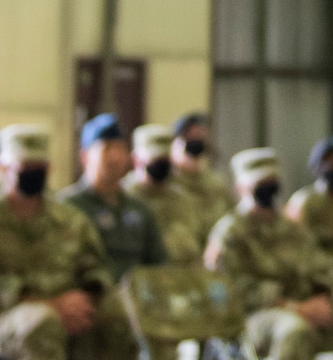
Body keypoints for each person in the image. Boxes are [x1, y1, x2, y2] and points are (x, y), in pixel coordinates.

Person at [206, 149, 333, 360]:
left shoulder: (292, 229)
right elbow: (232, 290)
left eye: (272, 180)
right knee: (296, 332)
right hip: (255, 317)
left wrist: (326, 298)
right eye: (261, 183)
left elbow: (316, 265)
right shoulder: (230, 233)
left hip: (306, 306)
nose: (268, 187)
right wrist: (296, 307)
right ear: (241, 187)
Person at [0, 123, 122, 360]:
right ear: (4, 169)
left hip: (69, 309)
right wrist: (53, 305)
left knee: (116, 315)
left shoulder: (70, 219)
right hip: (11, 317)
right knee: (42, 323)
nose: (33, 174)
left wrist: (83, 302)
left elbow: (95, 267)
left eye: (40, 167)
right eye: (25, 167)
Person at [56, 116, 161, 282]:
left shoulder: (140, 209)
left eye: (120, 149)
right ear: (85, 156)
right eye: (107, 148)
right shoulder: (66, 207)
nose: (115, 157)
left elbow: (158, 263)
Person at [121, 127, 201, 267]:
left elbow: (193, 250)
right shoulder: (122, 198)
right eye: (155, 159)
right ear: (136, 159)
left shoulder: (183, 201)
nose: (162, 164)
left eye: (166, 159)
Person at [284, 139, 333, 266]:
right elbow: (301, 248)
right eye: (329, 160)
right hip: (325, 270)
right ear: (317, 165)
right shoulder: (305, 202)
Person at [167, 115, 230, 243]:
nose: (195, 144)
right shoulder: (166, 184)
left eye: (200, 137)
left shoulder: (216, 185)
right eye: (189, 137)